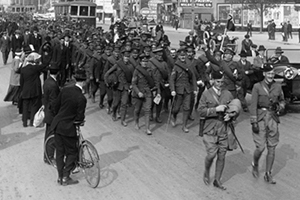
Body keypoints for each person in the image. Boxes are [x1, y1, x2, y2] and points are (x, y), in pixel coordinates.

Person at [198, 70, 241, 190]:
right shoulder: (206, 94)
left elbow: (235, 108)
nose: (220, 84)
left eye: (222, 81)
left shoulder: (228, 94)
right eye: (217, 81)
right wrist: (215, 109)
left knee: (222, 156)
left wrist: (231, 116)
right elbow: (200, 111)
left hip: (224, 129)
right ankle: (207, 170)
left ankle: (217, 179)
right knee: (211, 155)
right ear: (212, 81)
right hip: (210, 129)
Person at [249, 63, 285, 184]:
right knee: (260, 147)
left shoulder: (278, 86)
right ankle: (255, 163)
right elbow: (253, 104)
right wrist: (254, 121)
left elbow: (282, 100)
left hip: (273, 118)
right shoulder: (257, 87)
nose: (271, 75)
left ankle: (268, 173)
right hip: (261, 117)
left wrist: (280, 106)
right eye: (268, 73)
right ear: (264, 74)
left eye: (272, 73)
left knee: (272, 147)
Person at [51, 69, 87, 186]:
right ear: (85, 82)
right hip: (68, 128)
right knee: (72, 152)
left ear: (75, 79)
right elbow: (79, 117)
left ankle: (59, 177)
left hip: (57, 125)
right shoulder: (81, 98)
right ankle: (66, 176)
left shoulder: (65, 90)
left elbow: (56, 106)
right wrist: (79, 122)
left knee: (60, 152)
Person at [169, 48, 197, 133]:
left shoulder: (189, 65)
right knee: (176, 108)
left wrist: (195, 89)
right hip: (178, 90)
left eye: (184, 55)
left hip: (188, 89)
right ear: (178, 56)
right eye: (181, 56)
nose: (183, 57)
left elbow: (193, 78)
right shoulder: (176, 66)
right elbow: (172, 80)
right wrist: (173, 90)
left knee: (187, 107)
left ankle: (184, 125)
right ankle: (174, 117)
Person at [132, 54, 156, 135]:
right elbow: (134, 83)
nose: (145, 63)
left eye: (146, 61)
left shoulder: (150, 70)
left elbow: (154, 81)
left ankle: (147, 128)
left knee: (147, 110)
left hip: (147, 92)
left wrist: (154, 90)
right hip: (138, 93)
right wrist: (138, 92)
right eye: (143, 61)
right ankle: (136, 122)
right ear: (140, 62)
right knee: (137, 109)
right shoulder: (137, 71)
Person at [20, 52, 46, 127]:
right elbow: (43, 66)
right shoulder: (35, 68)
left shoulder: (23, 69)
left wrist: (22, 89)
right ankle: (31, 121)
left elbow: (21, 81)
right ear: (34, 61)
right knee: (34, 106)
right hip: (34, 90)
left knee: (25, 106)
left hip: (26, 90)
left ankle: (24, 122)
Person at [43, 63, 60, 165]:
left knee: (48, 134)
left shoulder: (47, 81)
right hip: (52, 114)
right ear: (57, 73)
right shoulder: (53, 85)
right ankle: (49, 156)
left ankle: (46, 155)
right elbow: (54, 102)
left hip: (48, 111)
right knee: (51, 136)